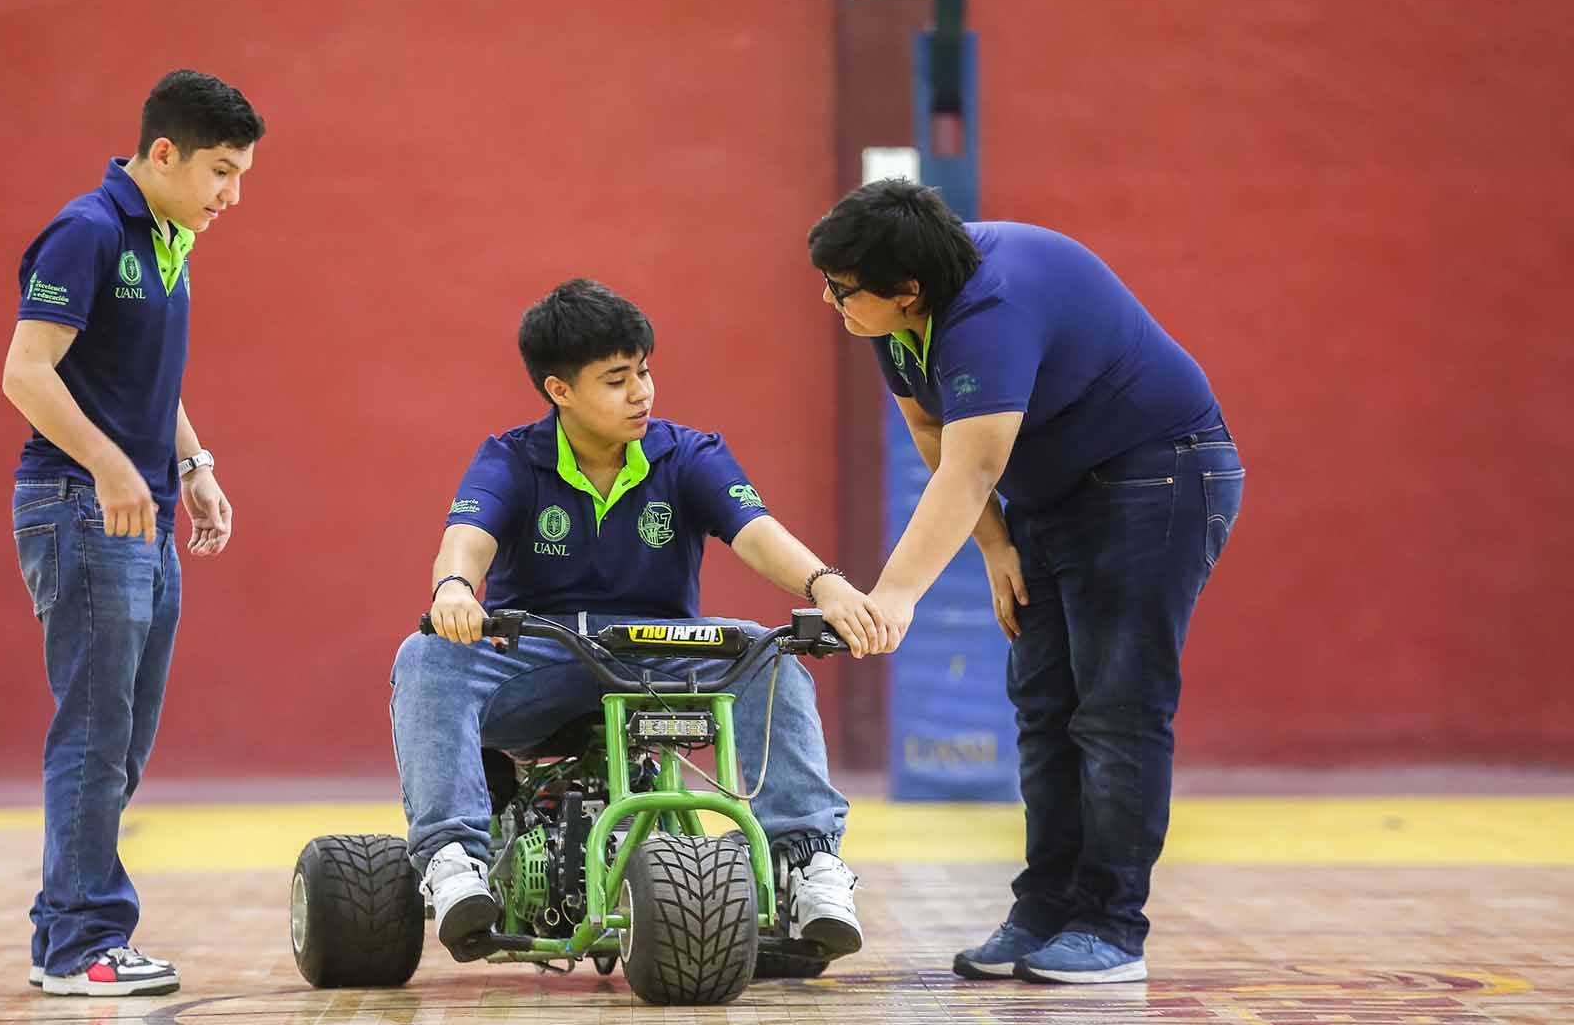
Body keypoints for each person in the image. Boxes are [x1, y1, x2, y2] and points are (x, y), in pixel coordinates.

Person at [807, 180, 1244, 984]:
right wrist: (996, 545)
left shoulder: (990, 310)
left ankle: (1112, 928)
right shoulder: (895, 310)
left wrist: (896, 595)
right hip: (1056, 495)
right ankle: (1045, 911)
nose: (832, 302)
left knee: (1116, 710)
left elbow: (972, 468)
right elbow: (930, 430)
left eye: (844, 290)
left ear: (908, 289)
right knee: (1046, 709)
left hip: (1159, 477)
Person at [394, 278, 882, 961]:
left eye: (645, 372)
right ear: (560, 390)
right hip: (543, 653)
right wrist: (454, 587)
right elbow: (467, 536)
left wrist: (824, 583)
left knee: (766, 652)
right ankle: (452, 861)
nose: (642, 393)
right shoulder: (511, 456)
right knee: (425, 655)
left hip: (656, 654)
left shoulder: (686, 454)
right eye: (618, 379)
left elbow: (754, 529)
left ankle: (807, 864)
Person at [0, 69, 263, 997]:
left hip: (138, 508)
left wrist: (193, 467)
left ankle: (58, 935)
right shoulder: (89, 232)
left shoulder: (164, 240)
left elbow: (144, 373)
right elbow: (27, 372)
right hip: (81, 505)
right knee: (95, 730)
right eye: (222, 172)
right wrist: (113, 467)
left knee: (124, 737)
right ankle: (83, 947)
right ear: (163, 154)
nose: (231, 195)